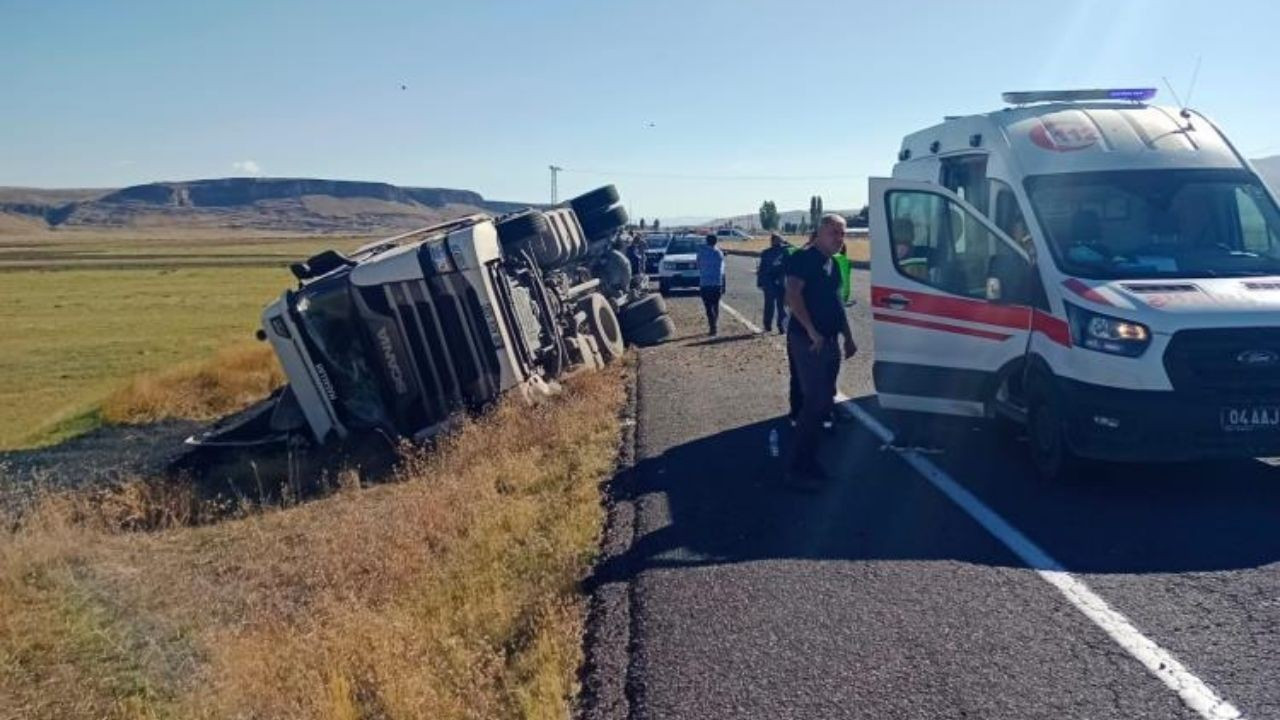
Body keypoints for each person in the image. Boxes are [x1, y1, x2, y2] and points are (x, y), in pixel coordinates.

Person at [784, 214, 856, 488]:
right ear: (819, 233)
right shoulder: (803, 259)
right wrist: (812, 330)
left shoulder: (833, 265)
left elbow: (837, 302)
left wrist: (848, 337)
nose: (838, 238)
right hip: (808, 340)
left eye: (842, 233)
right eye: (833, 232)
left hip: (830, 340)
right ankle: (798, 468)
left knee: (825, 400)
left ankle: (810, 459)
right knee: (814, 401)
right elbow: (792, 294)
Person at [756, 233, 789, 333]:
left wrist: (760, 282)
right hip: (780, 282)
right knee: (781, 306)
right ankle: (781, 327)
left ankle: (768, 326)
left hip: (769, 282)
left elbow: (761, 269)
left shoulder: (766, 252)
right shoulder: (786, 251)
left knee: (770, 305)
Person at [696, 233, 726, 335]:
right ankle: (714, 324)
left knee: (708, 306)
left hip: (705, 283)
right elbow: (721, 267)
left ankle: (712, 326)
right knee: (715, 305)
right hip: (717, 282)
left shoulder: (701, 252)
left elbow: (698, 265)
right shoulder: (719, 253)